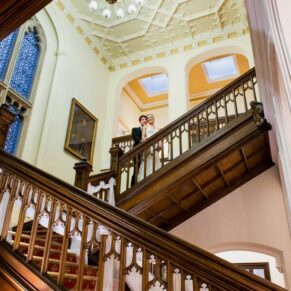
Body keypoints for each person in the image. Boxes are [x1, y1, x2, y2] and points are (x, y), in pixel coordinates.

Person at [137, 114, 161, 182]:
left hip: (155, 147)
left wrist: (160, 144)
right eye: (148, 118)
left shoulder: (157, 128)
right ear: (147, 120)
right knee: (148, 161)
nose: (150, 118)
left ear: (154, 118)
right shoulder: (145, 127)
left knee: (155, 161)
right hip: (149, 145)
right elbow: (143, 137)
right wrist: (147, 138)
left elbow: (159, 137)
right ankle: (147, 179)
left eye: (151, 117)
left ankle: (155, 178)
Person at [130, 115, 148, 186]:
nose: (144, 120)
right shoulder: (135, 129)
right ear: (140, 121)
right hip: (137, 150)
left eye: (145, 119)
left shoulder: (148, 129)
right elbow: (135, 138)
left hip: (146, 150)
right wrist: (141, 141)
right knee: (136, 168)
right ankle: (133, 185)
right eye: (142, 119)